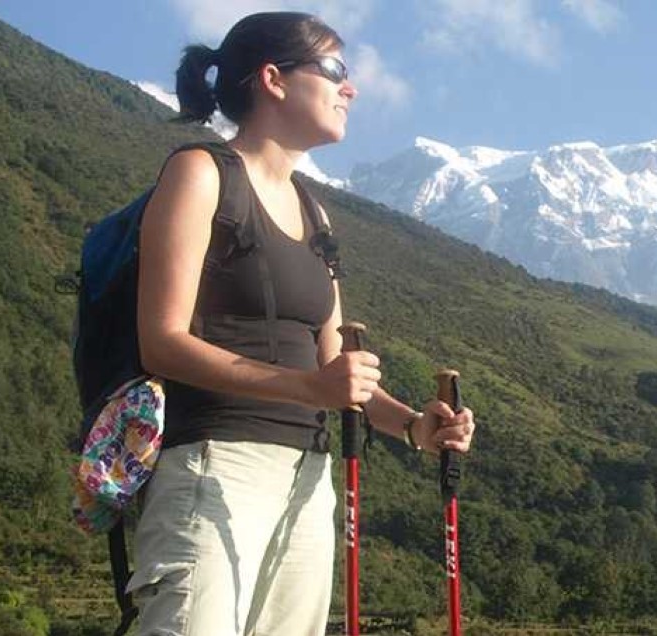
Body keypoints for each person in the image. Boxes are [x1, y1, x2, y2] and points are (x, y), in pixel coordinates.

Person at [130, 11, 476, 635]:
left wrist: (416, 428)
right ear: (274, 79)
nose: (353, 88)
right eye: (337, 70)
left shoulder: (316, 214)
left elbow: (335, 371)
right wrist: (308, 390)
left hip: (309, 480)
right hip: (215, 464)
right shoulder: (201, 174)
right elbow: (161, 342)